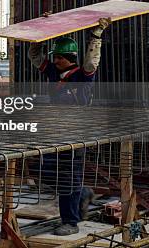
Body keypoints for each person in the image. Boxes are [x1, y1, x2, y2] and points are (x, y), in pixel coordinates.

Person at [28, 17, 110, 235]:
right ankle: (82, 193)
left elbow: (92, 60)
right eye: (55, 57)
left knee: (68, 178)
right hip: (57, 133)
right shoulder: (55, 73)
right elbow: (35, 57)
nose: (55, 61)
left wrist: (97, 34)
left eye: (59, 57)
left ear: (70, 58)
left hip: (75, 135)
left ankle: (70, 222)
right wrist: (41, 33)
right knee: (46, 171)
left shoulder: (83, 76)